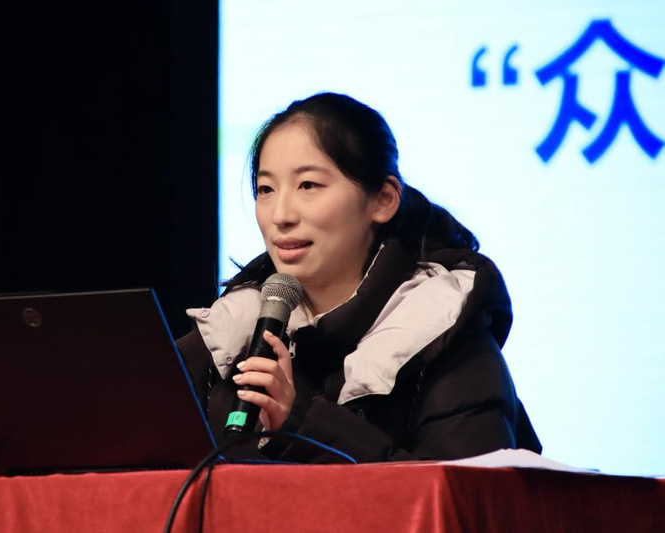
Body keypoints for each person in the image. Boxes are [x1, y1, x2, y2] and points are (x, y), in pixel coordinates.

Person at [177, 92, 541, 463]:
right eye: (265, 189)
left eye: (308, 185)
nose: (281, 215)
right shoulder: (228, 338)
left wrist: (301, 421)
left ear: (383, 200)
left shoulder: (445, 336)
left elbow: (463, 493)